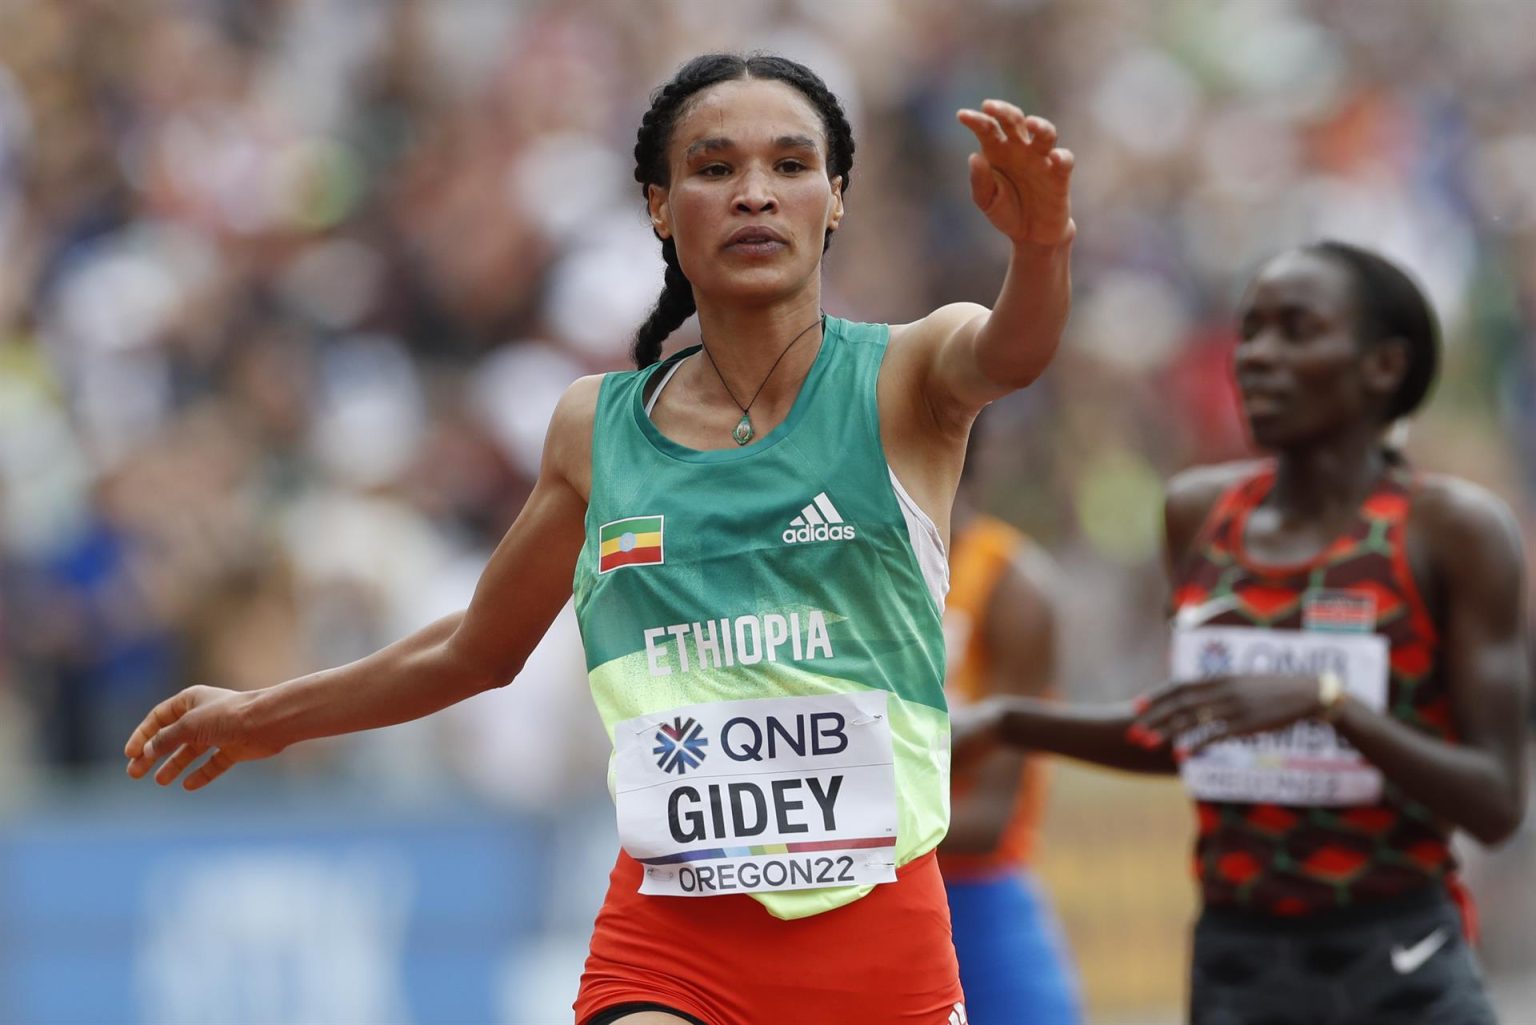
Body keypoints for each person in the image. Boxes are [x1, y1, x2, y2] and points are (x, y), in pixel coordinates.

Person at [123, 52, 1076, 1025]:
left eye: (791, 165)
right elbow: (475, 650)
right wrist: (263, 717)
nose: (754, 193)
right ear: (660, 207)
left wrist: (1041, 243)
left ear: (835, 199)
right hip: (672, 950)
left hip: (877, 957)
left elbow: (1017, 347)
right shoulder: (595, 429)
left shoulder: (906, 374)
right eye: (714, 168)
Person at [956, 241, 1530, 1025]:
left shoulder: (1450, 530)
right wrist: (1006, 721)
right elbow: (1195, 726)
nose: (1256, 357)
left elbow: (1495, 802)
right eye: (1250, 331)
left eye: (1297, 331)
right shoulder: (1199, 514)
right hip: (1237, 960)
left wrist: (1331, 704)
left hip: (1399, 955)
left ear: (1384, 367)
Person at [939, 432, 1081, 1025]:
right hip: (855, 893)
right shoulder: (833, 568)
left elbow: (988, 824)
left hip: (976, 900)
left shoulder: (1011, 585)